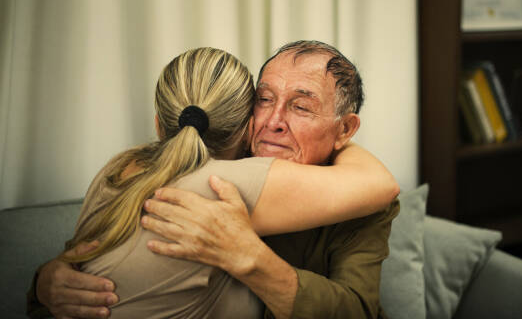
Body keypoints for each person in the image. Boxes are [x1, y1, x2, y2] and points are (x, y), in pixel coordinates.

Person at [28, 45, 399, 318]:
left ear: (346, 128)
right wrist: (46, 281)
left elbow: (357, 310)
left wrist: (251, 259)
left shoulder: (360, 201)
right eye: (264, 99)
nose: (273, 121)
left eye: (300, 107)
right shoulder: (212, 163)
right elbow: (97, 258)